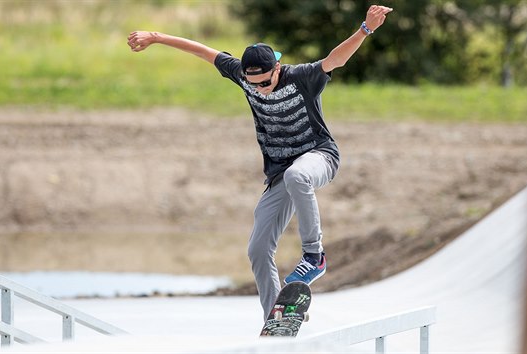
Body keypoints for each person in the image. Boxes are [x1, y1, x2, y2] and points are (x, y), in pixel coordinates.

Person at [128, 5, 393, 319]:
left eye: (265, 83)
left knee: (298, 176)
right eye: (253, 85)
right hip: (281, 173)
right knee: (257, 248)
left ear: (277, 69)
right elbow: (202, 51)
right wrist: (155, 37)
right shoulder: (242, 75)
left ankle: (314, 255)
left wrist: (366, 29)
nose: (260, 90)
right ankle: (277, 315)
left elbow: (335, 59)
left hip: (319, 157)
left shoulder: (302, 77)